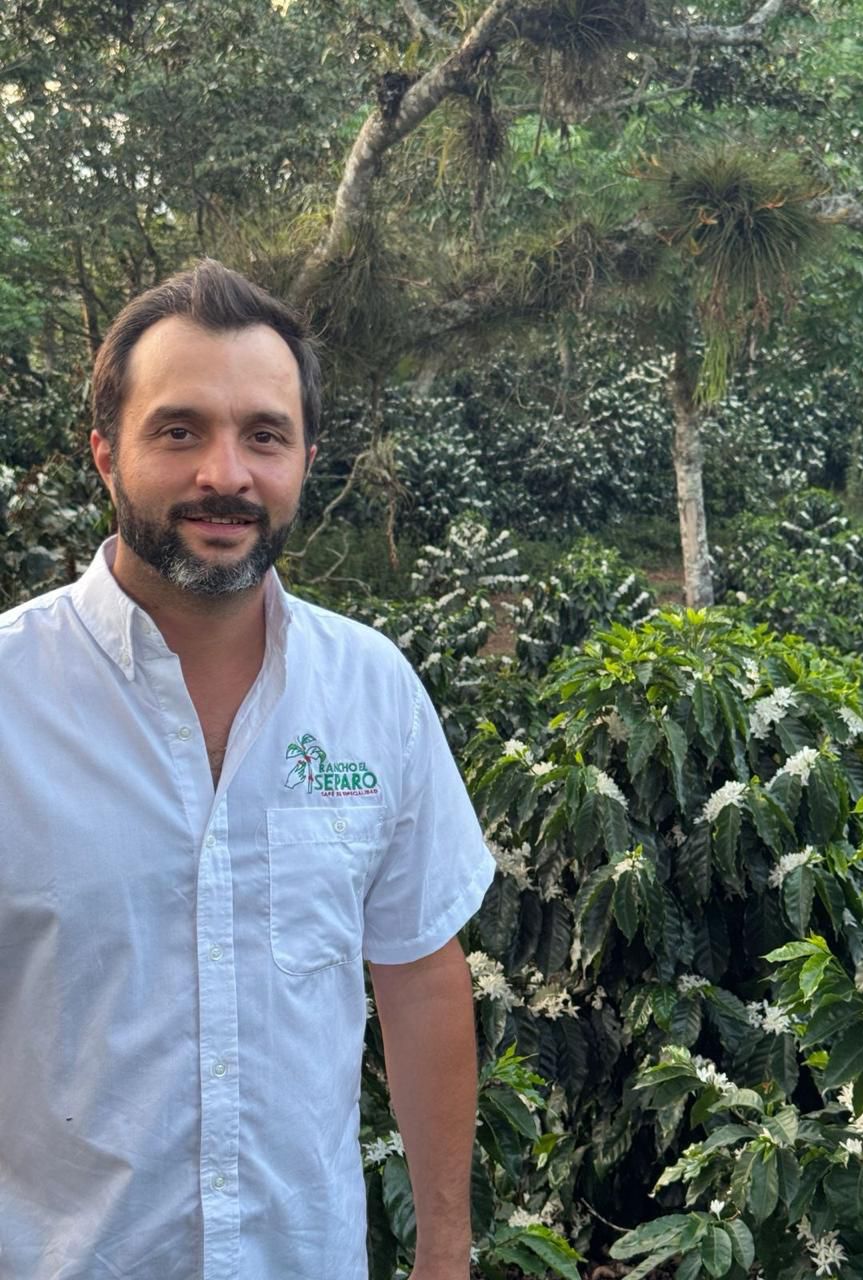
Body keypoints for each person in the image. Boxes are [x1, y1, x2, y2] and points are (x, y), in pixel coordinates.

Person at [0, 260, 495, 1280]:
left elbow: (418, 978)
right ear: (106, 452)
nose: (225, 474)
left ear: (305, 459)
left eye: (263, 435)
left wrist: (445, 1252)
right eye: (179, 431)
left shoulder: (372, 692)